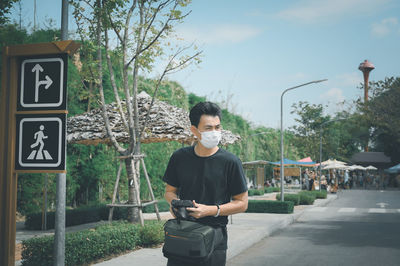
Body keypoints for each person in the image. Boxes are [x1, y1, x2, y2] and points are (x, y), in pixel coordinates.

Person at [163, 102, 248, 266]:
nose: (215, 133)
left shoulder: (231, 162)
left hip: (214, 239)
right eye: (208, 128)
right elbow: (169, 192)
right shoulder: (179, 157)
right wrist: (176, 205)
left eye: (217, 127)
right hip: (182, 234)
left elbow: (242, 203)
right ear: (194, 130)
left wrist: (211, 210)